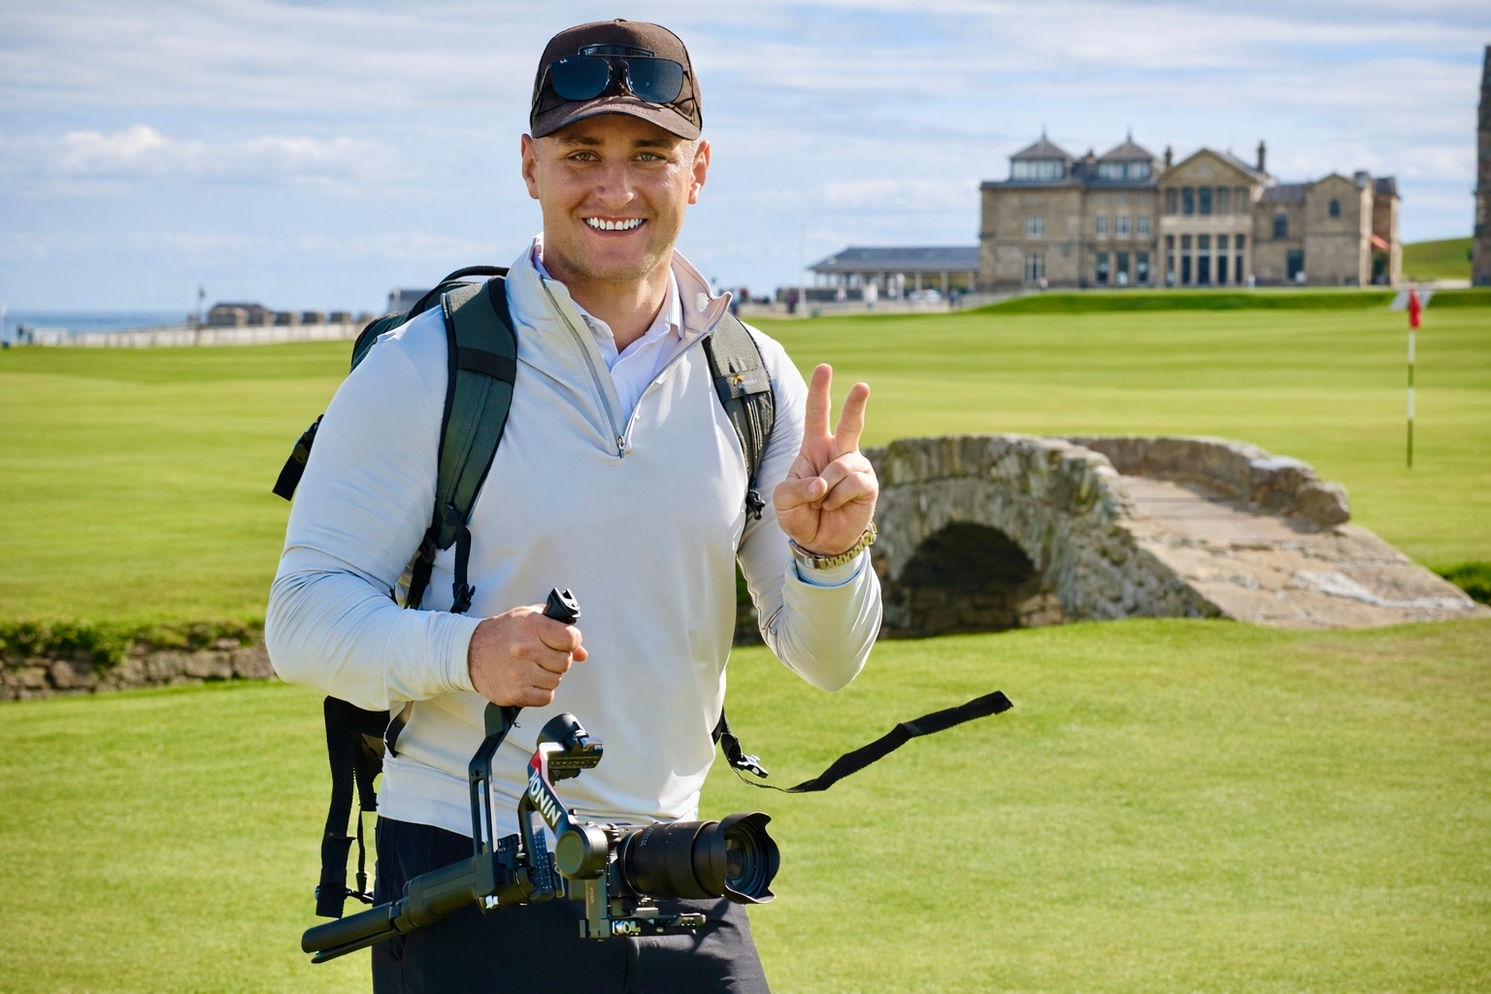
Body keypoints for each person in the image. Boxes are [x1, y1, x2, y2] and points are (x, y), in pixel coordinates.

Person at [266, 18, 881, 994]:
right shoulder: (429, 363)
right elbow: (301, 621)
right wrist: (467, 651)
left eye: (650, 155)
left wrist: (832, 558)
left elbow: (828, 660)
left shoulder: (751, 374)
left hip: (676, 860)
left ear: (698, 169)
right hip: (470, 862)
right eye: (582, 154)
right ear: (530, 165)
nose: (615, 188)